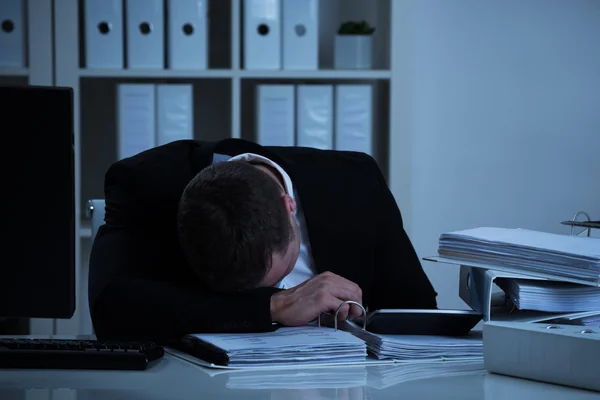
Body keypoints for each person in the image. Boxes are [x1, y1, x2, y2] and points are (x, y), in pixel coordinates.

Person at [88, 139, 437, 342]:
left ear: (290, 207)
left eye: (280, 269)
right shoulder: (144, 183)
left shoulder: (355, 183)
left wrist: (362, 319)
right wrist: (274, 305)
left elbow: (419, 311)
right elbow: (111, 310)